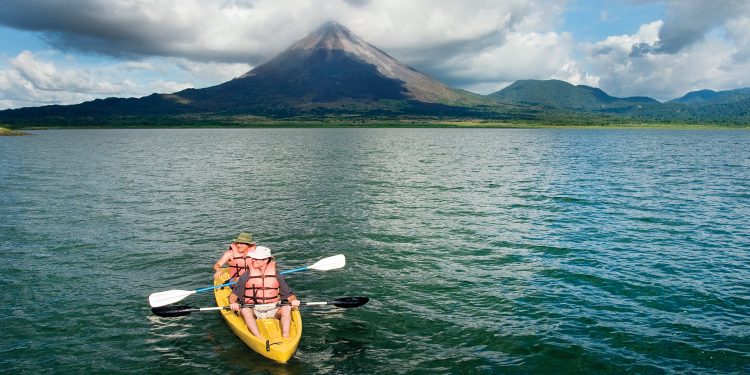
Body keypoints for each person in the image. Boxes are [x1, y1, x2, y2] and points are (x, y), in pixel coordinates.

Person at [228, 246, 301, 339]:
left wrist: (294, 301)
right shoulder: (246, 275)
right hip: (253, 309)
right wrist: (233, 303)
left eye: (256, 258)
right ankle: (258, 338)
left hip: (273, 309)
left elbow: (289, 295)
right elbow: (233, 296)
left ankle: (286, 335)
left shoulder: (276, 275)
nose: (253, 260)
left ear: (266, 260)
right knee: (245, 310)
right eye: (253, 258)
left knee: (287, 308)